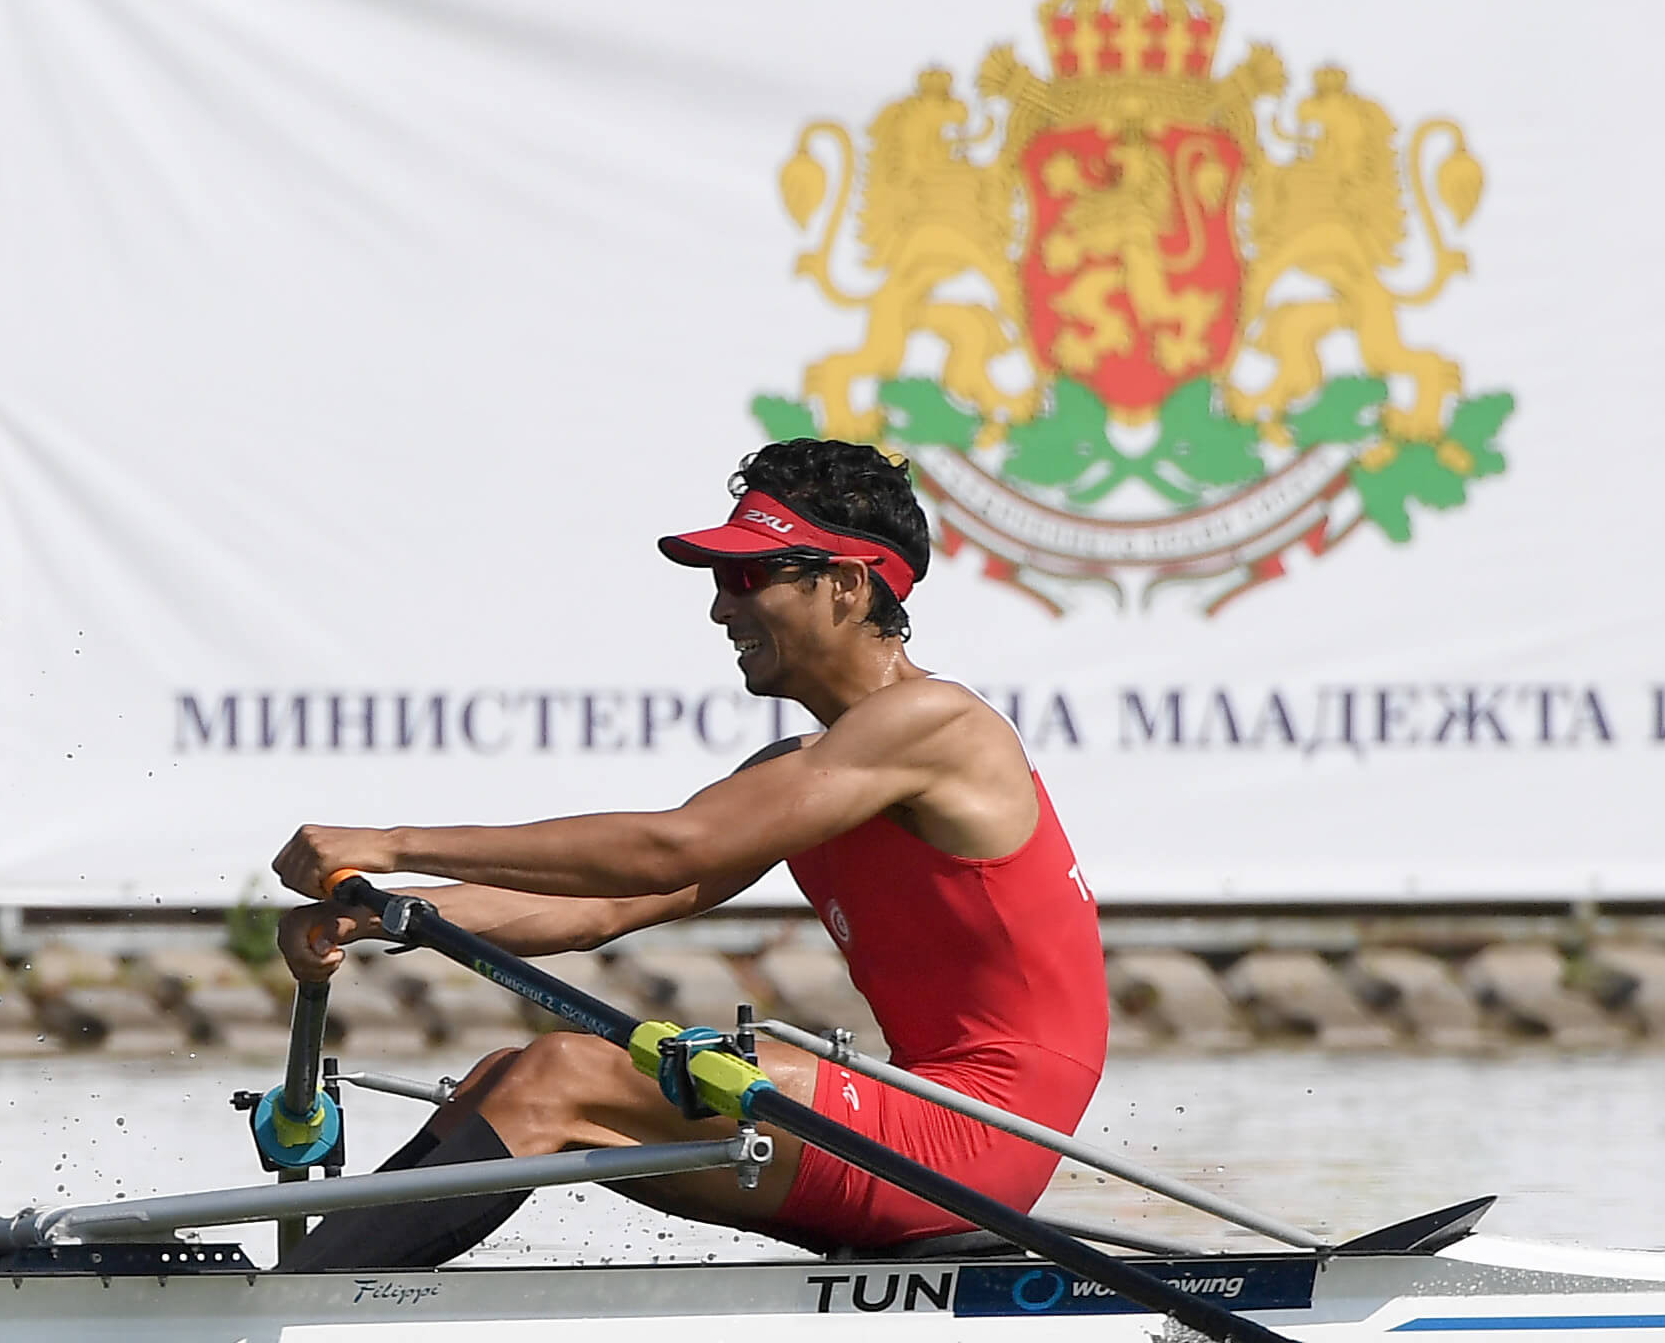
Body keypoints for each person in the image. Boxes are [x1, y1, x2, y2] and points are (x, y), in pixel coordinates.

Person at [267, 438, 1108, 1269]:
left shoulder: (938, 725)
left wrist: (390, 842)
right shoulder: (810, 770)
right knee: (503, 1074)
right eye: (718, 582)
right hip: (929, 1118)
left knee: (561, 1075)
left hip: (978, 1135)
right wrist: (372, 915)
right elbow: (599, 907)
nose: (720, 609)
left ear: (849, 585)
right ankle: (328, 1291)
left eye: (748, 578)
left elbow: (673, 848)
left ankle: (294, 1311)